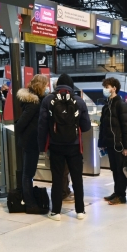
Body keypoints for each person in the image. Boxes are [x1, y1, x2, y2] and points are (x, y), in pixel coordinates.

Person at [38, 74, 92, 220]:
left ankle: (56, 212)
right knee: (77, 179)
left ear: (57, 85)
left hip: (55, 146)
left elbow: (42, 126)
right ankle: (80, 211)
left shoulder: (48, 100)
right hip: (74, 147)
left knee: (57, 178)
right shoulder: (79, 101)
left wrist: (42, 147)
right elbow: (86, 126)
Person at [16, 74, 50, 215]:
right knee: (28, 173)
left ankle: (29, 200)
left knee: (28, 172)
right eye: (46, 85)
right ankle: (30, 204)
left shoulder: (36, 101)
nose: (47, 87)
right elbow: (21, 123)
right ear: (40, 86)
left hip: (30, 141)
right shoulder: (34, 103)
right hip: (31, 142)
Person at [98, 77, 127, 205]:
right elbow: (103, 126)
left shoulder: (121, 105)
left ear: (114, 88)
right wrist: (101, 143)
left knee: (121, 170)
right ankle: (116, 192)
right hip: (110, 144)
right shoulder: (106, 106)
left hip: (119, 144)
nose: (105, 89)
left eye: (107, 87)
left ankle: (121, 195)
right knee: (114, 169)